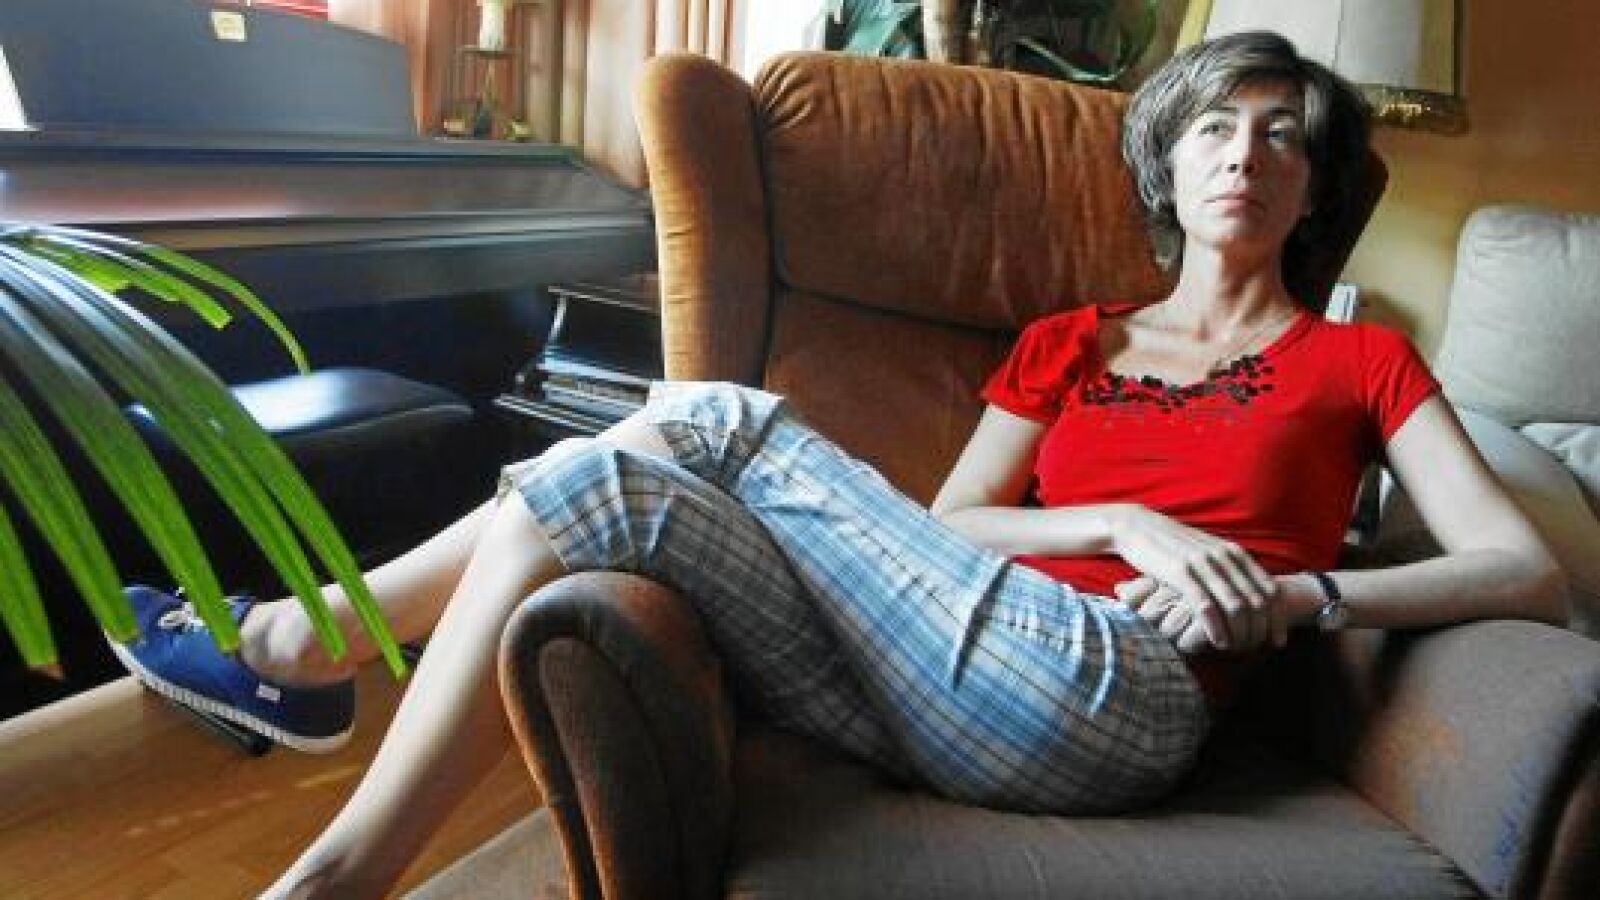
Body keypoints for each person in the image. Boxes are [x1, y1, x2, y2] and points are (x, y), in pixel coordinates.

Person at [110, 31, 1565, 898]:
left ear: (1312, 187)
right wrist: (1119, 515)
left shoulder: (1358, 360)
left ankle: (297, 647)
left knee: (712, 417)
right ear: (1167, 168)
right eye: (1214, 132)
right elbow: (960, 525)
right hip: (954, 673)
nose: (1244, 155)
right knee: (607, 483)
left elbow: (1526, 570)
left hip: (1121, 692)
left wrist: (1305, 596)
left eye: (1281, 138)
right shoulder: (1071, 340)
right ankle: (337, 876)